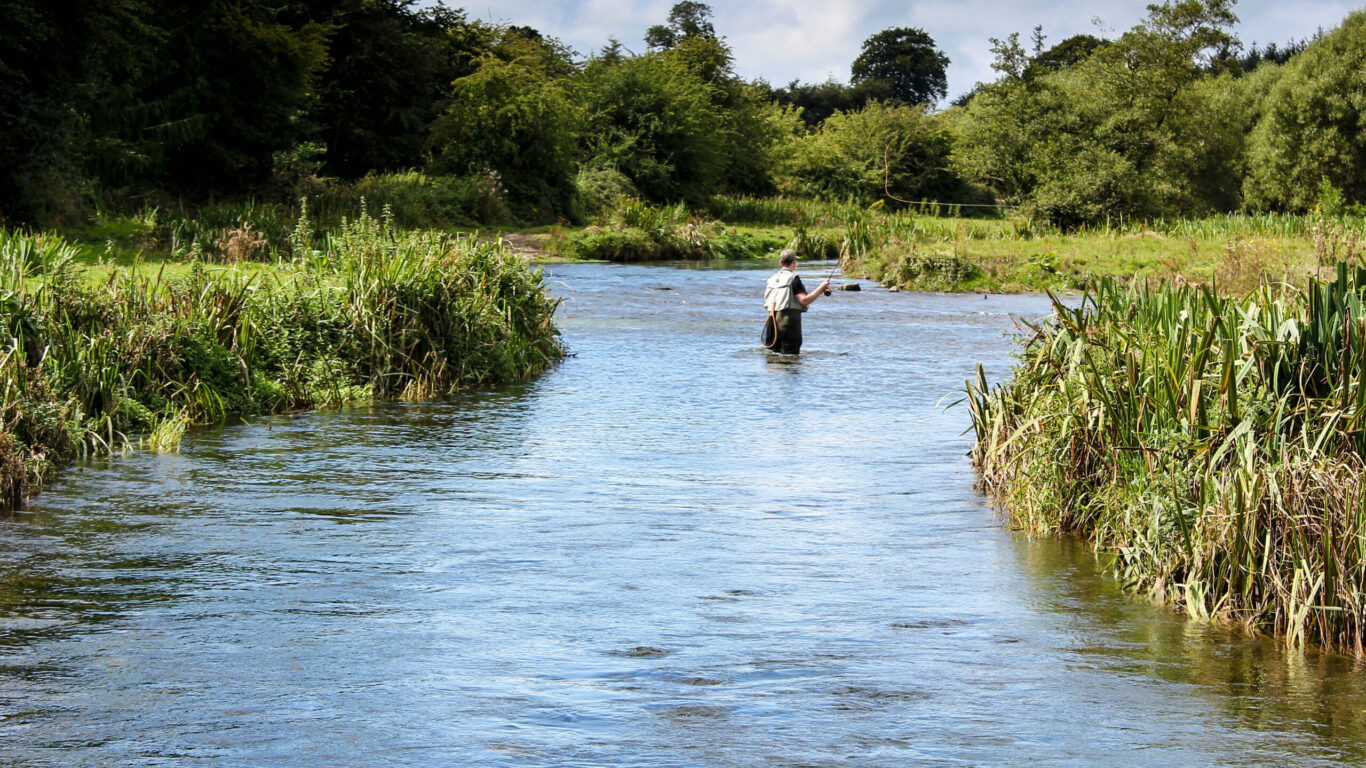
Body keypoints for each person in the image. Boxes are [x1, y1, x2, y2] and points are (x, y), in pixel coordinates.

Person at [762, 249, 829, 354]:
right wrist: (821, 288)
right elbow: (804, 300)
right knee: (790, 358)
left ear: (781, 262)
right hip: (788, 323)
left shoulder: (771, 279)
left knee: (772, 358)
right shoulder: (794, 278)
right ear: (794, 262)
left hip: (771, 322)